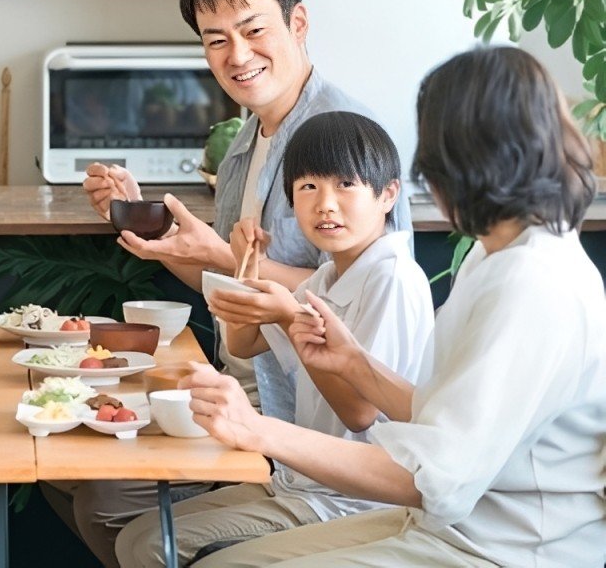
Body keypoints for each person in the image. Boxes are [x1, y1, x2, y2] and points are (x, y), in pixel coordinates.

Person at [55, 0, 414, 566]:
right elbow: (230, 284)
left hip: (303, 422)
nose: (238, 55)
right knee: (65, 470)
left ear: (297, 24)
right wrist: (158, 234)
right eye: (216, 40)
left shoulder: (342, 135)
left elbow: (359, 288)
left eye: (254, 31)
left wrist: (221, 254)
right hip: (240, 384)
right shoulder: (246, 137)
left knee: (105, 501)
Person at [177, 46, 605, 567]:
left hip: (505, 547)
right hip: (454, 522)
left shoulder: (532, 283)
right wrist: (355, 364)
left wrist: (257, 428)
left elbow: (428, 478)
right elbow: (447, 419)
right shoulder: (499, 255)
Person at [114, 111, 434, 567]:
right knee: (136, 539)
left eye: (346, 184)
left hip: (352, 500)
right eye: (308, 188)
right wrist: (246, 267)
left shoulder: (391, 277)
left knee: (150, 546)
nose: (326, 203)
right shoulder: (328, 276)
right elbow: (244, 344)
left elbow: (360, 413)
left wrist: (287, 317)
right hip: (300, 480)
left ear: (388, 194)